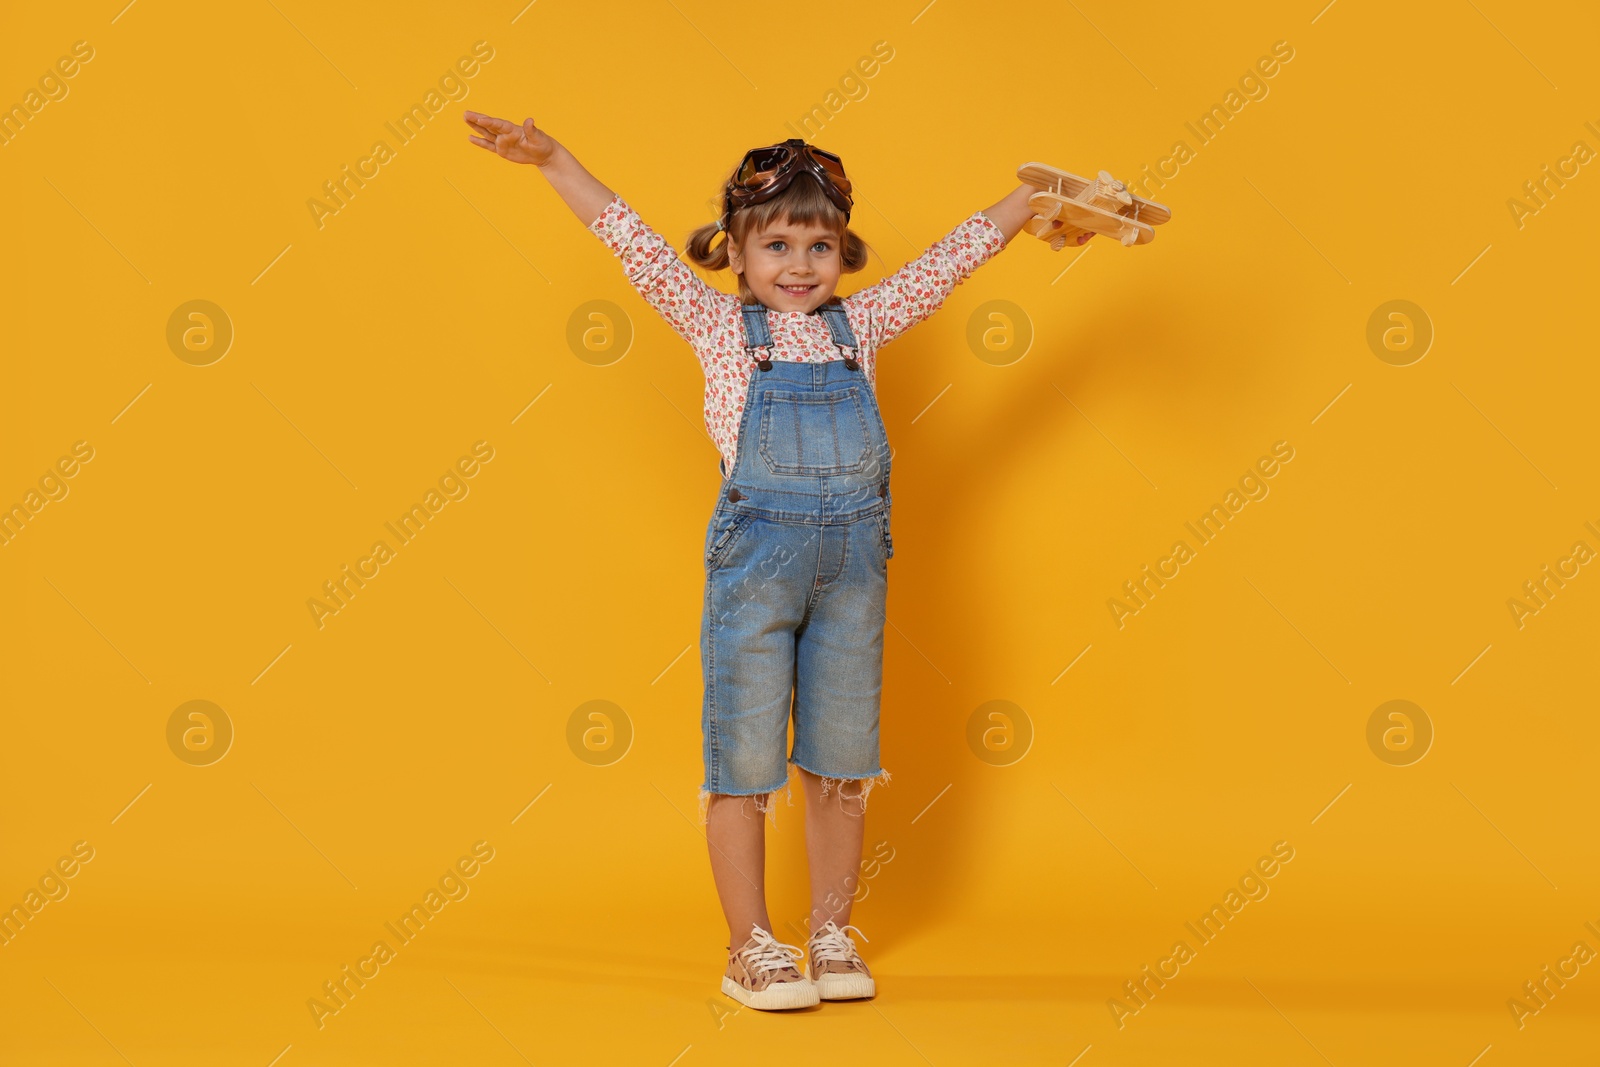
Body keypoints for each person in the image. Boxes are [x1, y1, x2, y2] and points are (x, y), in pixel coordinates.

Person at [464, 111, 1093, 1011]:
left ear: (845, 253)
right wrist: (556, 160)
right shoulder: (719, 328)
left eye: (821, 245)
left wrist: (1031, 199)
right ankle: (750, 945)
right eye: (778, 245)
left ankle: (831, 933)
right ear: (736, 254)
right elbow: (630, 241)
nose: (800, 266)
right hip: (755, 573)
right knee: (744, 760)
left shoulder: (863, 324)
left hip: (853, 578)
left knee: (841, 762)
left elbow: (954, 257)